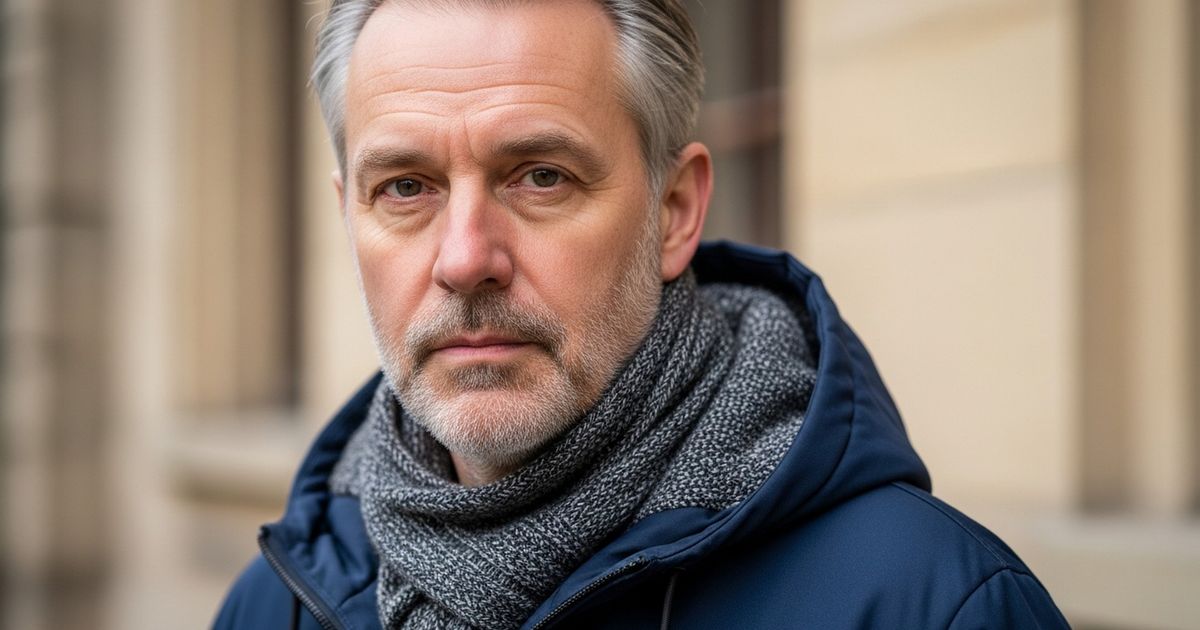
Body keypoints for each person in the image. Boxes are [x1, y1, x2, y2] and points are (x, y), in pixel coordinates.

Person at [214, 0, 1069, 628]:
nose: (466, 257)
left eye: (540, 175)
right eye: (405, 188)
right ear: (347, 217)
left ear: (674, 211)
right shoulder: (277, 605)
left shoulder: (931, 605)